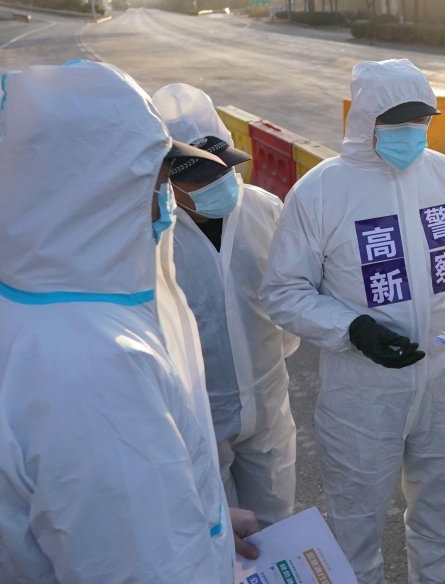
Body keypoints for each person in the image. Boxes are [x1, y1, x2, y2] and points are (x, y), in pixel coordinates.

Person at [0, 60, 258, 582]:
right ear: (90, 192)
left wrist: (204, 515)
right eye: (156, 182)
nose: (164, 203)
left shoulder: (42, 301)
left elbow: (107, 517)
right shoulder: (93, 364)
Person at [260, 58, 445, 584]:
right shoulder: (322, 191)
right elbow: (283, 290)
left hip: (440, 384)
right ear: (365, 120)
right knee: (355, 527)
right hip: (361, 395)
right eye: (397, 121)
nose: (412, 133)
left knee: (439, 519)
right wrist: (353, 329)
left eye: (421, 120)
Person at [153, 82, 298, 527]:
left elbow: (289, 298)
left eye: (223, 169)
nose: (219, 183)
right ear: (168, 180)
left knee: (275, 528)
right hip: (198, 413)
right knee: (213, 534)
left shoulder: (263, 208)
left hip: (269, 401)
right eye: (201, 176)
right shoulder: (155, 235)